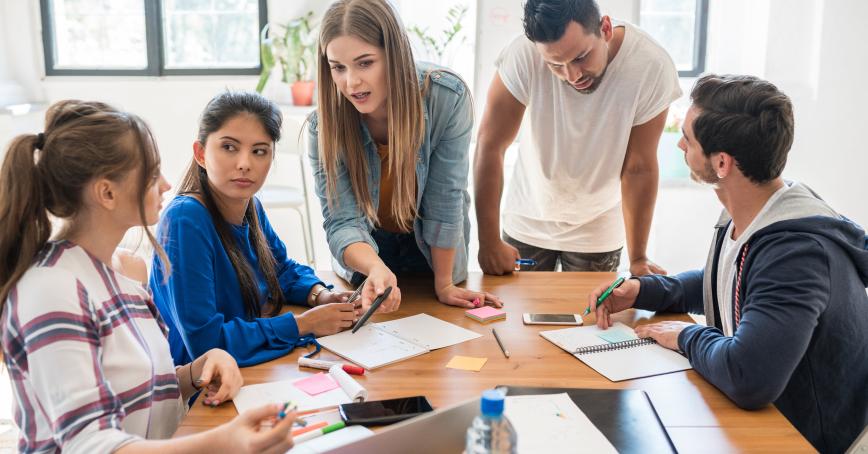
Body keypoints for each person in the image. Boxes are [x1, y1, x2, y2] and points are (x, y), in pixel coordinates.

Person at [589, 74, 868, 453]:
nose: (679, 143)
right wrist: (643, 290)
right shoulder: (756, 208)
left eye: (688, 137)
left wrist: (686, 336)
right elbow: (729, 281)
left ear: (721, 162)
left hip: (813, 441)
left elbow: (748, 377)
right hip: (775, 421)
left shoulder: (796, 255)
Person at [0, 100, 297, 453]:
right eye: (153, 174)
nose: (168, 184)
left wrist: (196, 371)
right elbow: (90, 445)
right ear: (107, 192)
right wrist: (223, 443)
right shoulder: (53, 290)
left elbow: (138, 394)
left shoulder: (124, 275)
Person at [309, 0, 502, 311]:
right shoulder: (324, 126)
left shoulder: (446, 98)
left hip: (432, 248)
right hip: (367, 249)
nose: (351, 82)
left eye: (365, 63)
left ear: (394, 56)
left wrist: (444, 284)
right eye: (338, 67)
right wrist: (374, 267)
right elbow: (341, 219)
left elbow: (445, 197)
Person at [150, 92, 356, 368]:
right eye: (229, 147)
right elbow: (205, 342)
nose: (245, 163)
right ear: (200, 153)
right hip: (200, 387)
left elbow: (280, 270)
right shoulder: (185, 220)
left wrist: (321, 295)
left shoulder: (250, 206)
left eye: (259, 151)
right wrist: (303, 324)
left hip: (245, 368)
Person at [475, 0, 681, 276]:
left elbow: (639, 168)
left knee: (593, 320)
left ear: (605, 28)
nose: (572, 75)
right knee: (512, 318)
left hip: (598, 231)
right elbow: (490, 146)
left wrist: (639, 257)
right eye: (555, 64)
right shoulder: (523, 54)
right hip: (527, 221)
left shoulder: (651, 65)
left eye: (581, 57)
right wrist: (488, 242)